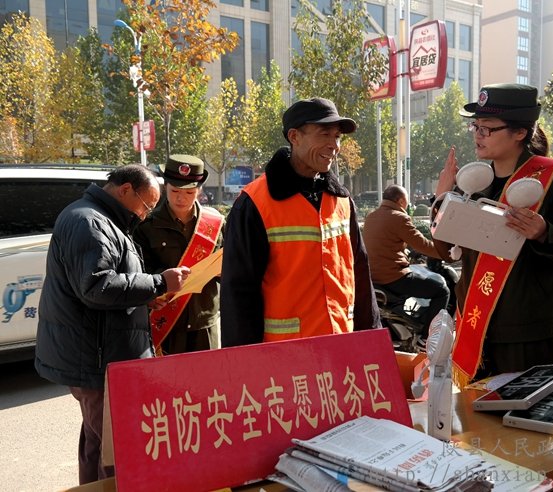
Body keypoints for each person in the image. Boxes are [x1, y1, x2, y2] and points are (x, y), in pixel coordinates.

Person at [433, 83, 553, 383]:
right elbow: (447, 251)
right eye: (475, 127)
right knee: (474, 413)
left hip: (527, 335)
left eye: (487, 129)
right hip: (475, 326)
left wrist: (544, 232)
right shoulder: (476, 183)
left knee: (526, 413)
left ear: (520, 132)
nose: (478, 135)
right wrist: (441, 201)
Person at [34, 164, 191, 485]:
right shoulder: (90, 222)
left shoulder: (102, 219)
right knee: (116, 451)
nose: (146, 214)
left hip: (98, 353)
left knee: (97, 444)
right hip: (97, 359)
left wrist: (147, 296)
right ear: (125, 190)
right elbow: (96, 287)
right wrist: (159, 283)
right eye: (146, 205)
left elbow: (108, 282)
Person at [220, 97, 381, 346]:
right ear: (294, 136)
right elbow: (238, 294)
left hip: (341, 348)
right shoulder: (254, 203)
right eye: (324, 134)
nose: (334, 145)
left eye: (337, 136)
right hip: (284, 355)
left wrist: (371, 340)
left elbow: (359, 272)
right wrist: (245, 362)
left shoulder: (341, 200)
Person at [134, 154, 225, 354]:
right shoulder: (147, 226)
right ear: (165, 186)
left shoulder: (216, 223)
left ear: (199, 190)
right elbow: (138, 272)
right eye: (174, 191)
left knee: (207, 374)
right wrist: (160, 282)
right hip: (165, 321)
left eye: (189, 192)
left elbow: (231, 266)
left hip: (204, 321)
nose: (181, 198)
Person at [362, 184, 450, 347]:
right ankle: (427, 337)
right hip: (393, 277)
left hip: (373, 277)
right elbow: (422, 244)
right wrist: (447, 253)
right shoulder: (399, 217)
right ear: (402, 201)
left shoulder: (371, 217)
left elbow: (386, 244)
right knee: (441, 291)